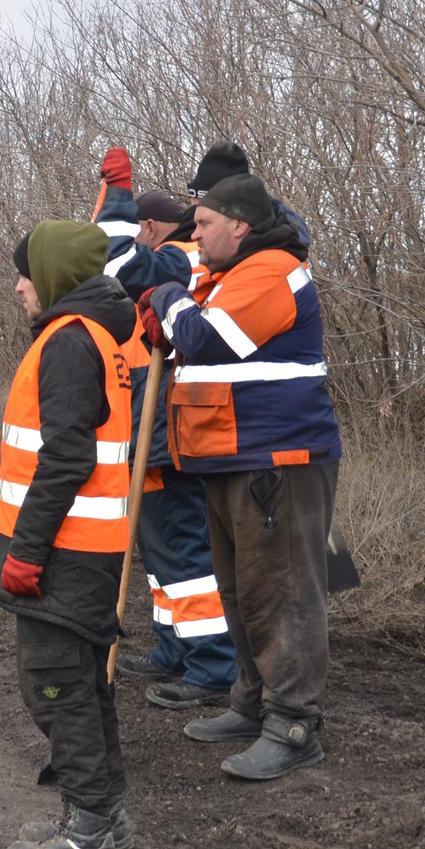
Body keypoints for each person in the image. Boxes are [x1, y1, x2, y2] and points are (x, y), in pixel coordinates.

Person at [139, 172, 341, 781]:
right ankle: (252, 704)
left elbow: (205, 339)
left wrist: (169, 298)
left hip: (276, 460)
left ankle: (294, 724)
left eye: (201, 224)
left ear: (239, 226)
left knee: (280, 593)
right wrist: (170, 310)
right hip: (232, 458)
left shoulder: (271, 271)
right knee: (240, 591)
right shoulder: (226, 275)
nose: (193, 235)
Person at [0, 218, 137, 849]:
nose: (19, 285)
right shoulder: (93, 337)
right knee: (81, 683)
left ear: (51, 277)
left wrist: (25, 549)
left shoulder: (72, 343)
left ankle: (86, 838)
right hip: (81, 546)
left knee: (55, 686)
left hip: (65, 551)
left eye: (26, 272)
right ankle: (105, 812)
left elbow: (67, 457)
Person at [95, 159, 240, 708]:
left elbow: (117, 263)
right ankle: (174, 647)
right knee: (163, 557)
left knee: (184, 555)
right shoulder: (190, 258)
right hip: (150, 430)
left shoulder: (182, 259)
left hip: (171, 431)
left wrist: (117, 198)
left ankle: (212, 666)